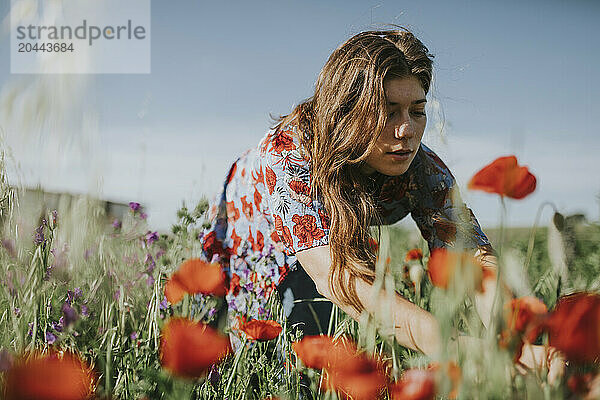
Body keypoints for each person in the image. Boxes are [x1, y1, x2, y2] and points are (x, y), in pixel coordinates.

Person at [199, 28, 496, 356]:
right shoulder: (289, 152)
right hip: (253, 235)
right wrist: (458, 349)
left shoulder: (424, 169)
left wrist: (518, 340)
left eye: (417, 110)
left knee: (322, 359)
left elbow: (474, 258)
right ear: (346, 111)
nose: (408, 129)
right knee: (254, 359)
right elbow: (333, 276)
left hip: (325, 244)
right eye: (387, 110)